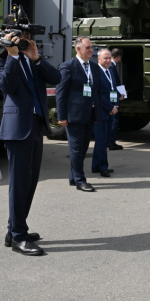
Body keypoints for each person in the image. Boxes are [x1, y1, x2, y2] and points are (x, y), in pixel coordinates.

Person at [0, 12, 61, 256]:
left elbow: (56, 78)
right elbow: (6, 86)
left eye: (28, 35)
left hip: (36, 126)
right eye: (21, 35)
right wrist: (12, 55)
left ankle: (15, 229)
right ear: (9, 35)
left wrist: (36, 58)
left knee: (29, 183)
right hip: (17, 129)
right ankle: (19, 237)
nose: (25, 39)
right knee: (19, 184)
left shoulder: (32, 58)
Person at [57, 36, 104, 192]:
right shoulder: (68, 66)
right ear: (78, 48)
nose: (91, 50)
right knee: (76, 148)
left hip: (89, 113)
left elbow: (96, 91)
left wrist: (97, 112)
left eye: (92, 47)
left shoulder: (95, 67)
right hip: (74, 115)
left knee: (83, 148)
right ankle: (80, 180)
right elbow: (61, 93)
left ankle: (73, 176)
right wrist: (61, 116)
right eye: (88, 48)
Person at [90, 48, 120, 178]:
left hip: (110, 110)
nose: (108, 61)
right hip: (100, 112)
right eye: (105, 58)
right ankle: (103, 167)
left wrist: (116, 103)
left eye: (109, 58)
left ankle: (96, 166)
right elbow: (97, 94)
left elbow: (113, 89)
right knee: (102, 141)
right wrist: (109, 107)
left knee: (104, 140)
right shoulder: (95, 72)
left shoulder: (111, 71)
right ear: (99, 59)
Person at [107, 48, 125, 150]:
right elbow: (113, 84)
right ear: (118, 57)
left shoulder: (111, 67)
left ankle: (110, 141)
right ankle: (111, 142)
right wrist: (119, 94)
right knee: (114, 120)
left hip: (114, 95)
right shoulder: (111, 67)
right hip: (113, 97)